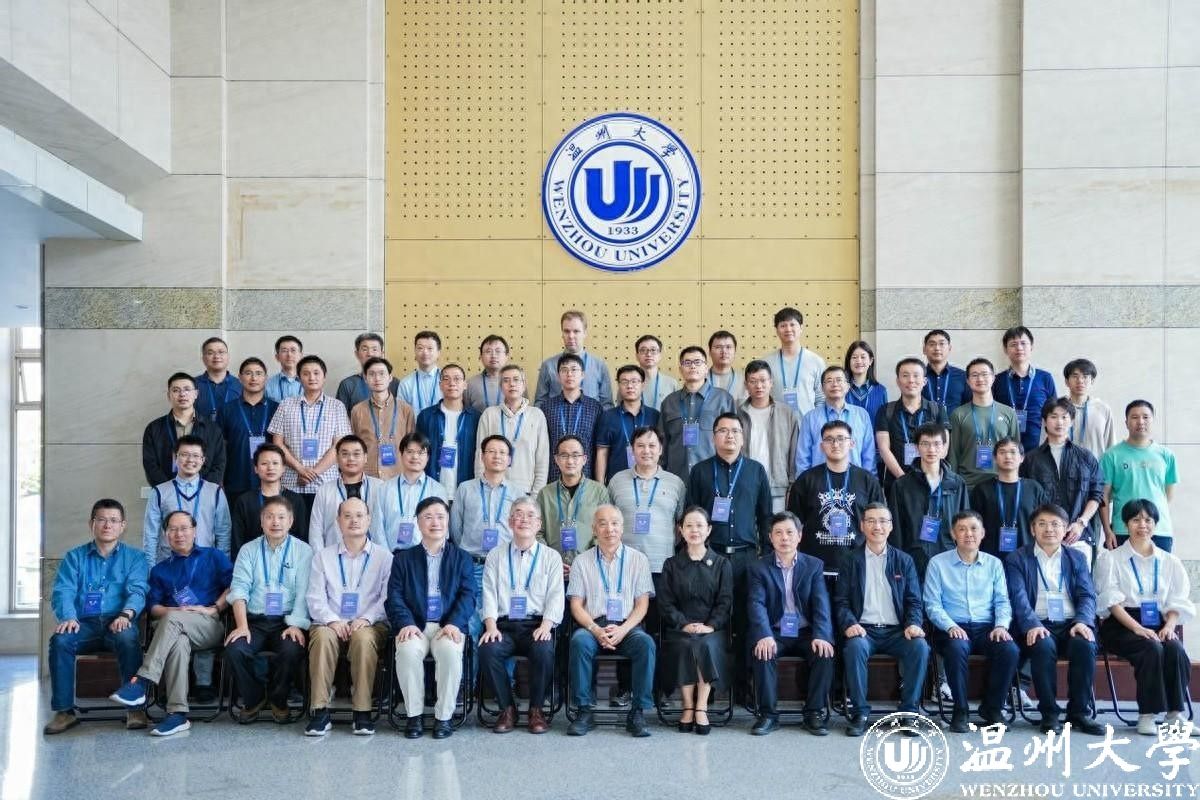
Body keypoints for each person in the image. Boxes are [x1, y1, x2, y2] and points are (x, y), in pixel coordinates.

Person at [108, 510, 233, 737]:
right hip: (172, 628)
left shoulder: (213, 557)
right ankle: (177, 714)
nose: (179, 534)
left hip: (207, 625)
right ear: (166, 535)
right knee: (178, 642)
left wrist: (214, 608)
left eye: (184, 528)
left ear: (194, 531)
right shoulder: (160, 570)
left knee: (173, 622)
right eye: (173, 529)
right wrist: (174, 611)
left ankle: (142, 682)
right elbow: (153, 607)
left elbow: (234, 586)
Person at [44, 499, 150, 735]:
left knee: (128, 639)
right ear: (91, 524)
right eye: (101, 520)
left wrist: (126, 614)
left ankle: (135, 709)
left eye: (113, 520)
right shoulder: (74, 557)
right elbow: (63, 591)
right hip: (84, 623)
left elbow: (138, 590)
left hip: (118, 620)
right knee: (60, 641)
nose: (107, 525)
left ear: (122, 526)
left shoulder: (135, 558)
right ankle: (64, 711)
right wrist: (68, 617)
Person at [686, 413, 773, 695]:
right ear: (713, 437)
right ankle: (709, 687)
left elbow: (765, 517)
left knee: (747, 620)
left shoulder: (756, 471)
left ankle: (744, 685)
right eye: (723, 430)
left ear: (743, 437)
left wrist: (766, 557)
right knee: (711, 619)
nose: (730, 436)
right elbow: (691, 515)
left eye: (735, 431)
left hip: (747, 558)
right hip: (711, 558)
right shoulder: (700, 471)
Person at [1094, 499, 1195, 735]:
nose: (1142, 525)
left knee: (1175, 649)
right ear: (1125, 524)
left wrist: (1169, 626)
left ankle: (1174, 715)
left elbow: (1178, 600)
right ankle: (1147, 715)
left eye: (1148, 520)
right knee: (1151, 648)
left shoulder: (1170, 562)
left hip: (1160, 622)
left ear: (1155, 524)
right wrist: (1137, 628)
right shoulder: (1111, 559)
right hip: (1122, 623)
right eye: (1136, 520)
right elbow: (1111, 602)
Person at [1004, 504, 1105, 735]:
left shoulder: (1077, 558)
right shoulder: (1017, 559)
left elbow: (1087, 595)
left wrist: (1082, 621)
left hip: (1071, 623)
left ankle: (1079, 713)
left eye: (1055, 524)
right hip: (1038, 623)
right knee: (1042, 645)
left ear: (1065, 528)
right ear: (1032, 529)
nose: (1049, 529)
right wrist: (1032, 625)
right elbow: (1018, 598)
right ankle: (1049, 714)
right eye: (1042, 524)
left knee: (1085, 644)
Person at [835, 503, 928, 737]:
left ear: (891, 526)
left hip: (898, 631)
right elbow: (841, 601)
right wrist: (849, 623)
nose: (877, 526)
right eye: (871, 521)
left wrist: (913, 623)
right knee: (854, 648)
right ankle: (860, 712)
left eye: (883, 521)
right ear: (862, 526)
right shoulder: (850, 560)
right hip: (864, 630)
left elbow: (914, 601)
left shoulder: (904, 561)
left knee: (920, 647)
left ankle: (909, 712)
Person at [386, 496, 475, 740]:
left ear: (448, 521)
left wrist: (455, 623)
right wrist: (405, 623)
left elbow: (468, 596)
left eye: (440, 516)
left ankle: (443, 717)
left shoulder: (462, 558)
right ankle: (413, 715)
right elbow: (394, 596)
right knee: (407, 650)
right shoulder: (403, 559)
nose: (435, 522)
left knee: (450, 652)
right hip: (415, 625)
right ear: (418, 522)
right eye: (428, 517)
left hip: (447, 626)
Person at [304, 497, 393, 737]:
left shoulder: (384, 557)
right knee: (322, 638)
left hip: (370, 623)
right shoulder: (323, 557)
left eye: (359, 515)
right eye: (347, 516)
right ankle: (319, 711)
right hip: (330, 622)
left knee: (363, 639)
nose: (354, 521)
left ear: (369, 520)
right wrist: (333, 620)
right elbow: (314, 597)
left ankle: (362, 712)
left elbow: (387, 599)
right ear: (338, 521)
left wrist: (366, 619)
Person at [923, 510, 1019, 733]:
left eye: (974, 529)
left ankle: (992, 709)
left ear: (983, 533)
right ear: (953, 534)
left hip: (987, 627)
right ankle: (960, 710)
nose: (969, 534)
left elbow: (1002, 601)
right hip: (952, 626)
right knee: (956, 648)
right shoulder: (937, 563)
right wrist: (950, 626)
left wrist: (1001, 626)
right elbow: (932, 604)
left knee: (1009, 650)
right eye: (962, 529)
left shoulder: (994, 564)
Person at [566, 505, 657, 737]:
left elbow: (642, 605)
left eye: (615, 523)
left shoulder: (638, 560)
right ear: (594, 529)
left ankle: (638, 712)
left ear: (622, 527)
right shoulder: (581, 561)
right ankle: (584, 710)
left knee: (646, 644)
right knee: (579, 643)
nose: (610, 529)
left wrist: (623, 630)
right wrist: (596, 630)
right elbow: (576, 605)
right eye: (603, 523)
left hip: (627, 626)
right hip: (592, 625)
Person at [223, 496, 314, 723]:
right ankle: (254, 699)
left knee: (292, 649)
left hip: (286, 621)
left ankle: (278, 700)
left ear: (291, 521)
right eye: (269, 517)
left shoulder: (304, 551)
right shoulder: (248, 550)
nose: (275, 522)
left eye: (281, 517)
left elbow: (304, 591)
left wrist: (296, 624)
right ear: (261, 521)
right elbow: (239, 589)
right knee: (235, 649)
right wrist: (242, 626)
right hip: (254, 621)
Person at [478, 498, 565, 734]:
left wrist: (546, 625)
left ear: (538, 524)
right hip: (503, 625)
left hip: (536, 624)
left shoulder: (551, 557)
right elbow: (488, 593)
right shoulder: (495, 555)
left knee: (544, 650)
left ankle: (536, 710)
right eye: (518, 514)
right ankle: (507, 708)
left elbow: (556, 596)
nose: (523, 519)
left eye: (530, 515)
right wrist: (490, 626)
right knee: (487, 650)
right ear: (509, 522)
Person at [746, 511, 835, 736]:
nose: (784, 538)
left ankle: (813, 713)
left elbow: (821, 603)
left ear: (800, 536)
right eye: (778, 533)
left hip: (806, 632)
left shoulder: (813, 565)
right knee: (762, 652)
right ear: (770, 537)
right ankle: (768, 715)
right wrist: (764, 634)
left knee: (824, 653)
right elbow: (756, 604)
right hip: (774, 631)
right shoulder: (758, 567)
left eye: (789, 532)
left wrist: (822, 635)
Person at [657, 506, 733, 735]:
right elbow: (666, 603)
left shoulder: (722, 564)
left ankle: (701, 706)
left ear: (709, 530)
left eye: (699, 525)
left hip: (712, 630)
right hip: (679, 628)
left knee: (704, 644)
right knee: (686, 643)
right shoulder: (671, 564)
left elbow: (725, 602)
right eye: (688, 525)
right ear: (680, 530)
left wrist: (710, 625)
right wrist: (683, 624)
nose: (694, 530)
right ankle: (687, 705)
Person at [789, 420, 885, 573]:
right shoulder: (805, 481)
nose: (835, 444)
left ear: (851, 444)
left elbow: (879, 523)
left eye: (841, 438)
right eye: (829, 439)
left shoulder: (867, 481)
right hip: (814, 568)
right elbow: (793, 525)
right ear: (821, 446)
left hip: (856, 568)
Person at [451, 435, 521, 640]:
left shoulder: (518, 493)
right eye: (491, 451)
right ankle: (471, 663)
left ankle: (497, 662)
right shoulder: (465, 488)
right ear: (482, 457)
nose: (497, 456)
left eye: (502, 452)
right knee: (471, 621)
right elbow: (455, 528)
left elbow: (520, 530)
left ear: (509, 459)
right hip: (473, 565)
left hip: (505, 565)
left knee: (502, 621)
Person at [1021, 398, 1105, 562]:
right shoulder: (1030, 459)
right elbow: (1027, 499)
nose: (1059, 422)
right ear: (1044, 421)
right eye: (1053, 417)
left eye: (1064, 417)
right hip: (1043, 538)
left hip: (1077, 536)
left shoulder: (1086, 458)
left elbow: (1097, 494)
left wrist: (1081, 523)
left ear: (1072, 421)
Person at [268, 355, 352, 509]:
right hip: (292, 483)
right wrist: (300, 469)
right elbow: (277, 443)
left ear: (324, 377)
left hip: (326, 484)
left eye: (316, 373)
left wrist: (313, 473)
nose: (312, 377)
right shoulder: (286, 405)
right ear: (299, 378)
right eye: (306, 373)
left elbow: (339, 446)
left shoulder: (337, 406)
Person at [887, 423, 970, 579]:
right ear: (917, 447)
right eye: (925, 444)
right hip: (913, 559)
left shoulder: (957, 483)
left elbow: (965, 524)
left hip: (949, 558)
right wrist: (898, 564)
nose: (931, 449)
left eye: (937, 444)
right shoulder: (902, 485)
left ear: (944, 448)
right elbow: (896, 529)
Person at [143, 435, 231, 568]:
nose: (190, 460)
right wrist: (150, 570)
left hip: (205, 566)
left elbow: (223, 534)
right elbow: (150, 536)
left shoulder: (216, 492)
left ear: (203, 460)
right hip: (169, 566)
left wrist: (222, 567)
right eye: (184, 455)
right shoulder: (159, 492)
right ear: (175, 457)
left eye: (196, 455)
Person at [1101, 401, 1178, 551]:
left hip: (1159, 530)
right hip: (1123, 530)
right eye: (1135, 417)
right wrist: (1107, 530)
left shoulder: (1166, 455)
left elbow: (1167, 495)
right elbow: (1103, 496)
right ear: (1126, 423)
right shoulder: (1111, 456)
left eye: (1145, 417)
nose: (1140, 421)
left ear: (1152, 420)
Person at [658, 346, 736, 482]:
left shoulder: (723, 399)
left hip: (714, 477)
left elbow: (733, 440)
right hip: (676, 478)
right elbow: (662, 443)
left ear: (706, 368)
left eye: (697, 362)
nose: (692, 366)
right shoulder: (669, 402)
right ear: (680, 369)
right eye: (687, 363)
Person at [536, 435, 612, 575]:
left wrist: (587, 561)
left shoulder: (599, 491)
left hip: (590, 570)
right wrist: (551, 560)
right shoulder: (545, 494)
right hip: (551, 571)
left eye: (575, 455)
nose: (570, 461)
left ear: (584, 459)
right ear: (556, 460)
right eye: (564, 455)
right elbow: (537, 532)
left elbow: (605, 530)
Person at [474, 364, 550, 495]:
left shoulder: (536, 415)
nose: (512, 384)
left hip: (525, 491)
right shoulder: (489, 414)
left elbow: (542, 459)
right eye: (506, 380)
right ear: (500, 386)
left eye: (516, 379)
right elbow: (480, 456)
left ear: (524, 385)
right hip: (493, 490)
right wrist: (482, 489)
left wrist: (536, 494)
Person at [142, 372, 226, 486]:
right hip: (166, 492)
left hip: (203, 492)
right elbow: (150, 465)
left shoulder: (212, 429)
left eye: (187, 389)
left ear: (196, 394)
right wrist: (170, 490)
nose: (182, 394)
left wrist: (201, 489)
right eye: (176, 390)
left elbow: (219, 465)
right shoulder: (154, 428)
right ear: (169, 395)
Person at [874, 359, 947, 491]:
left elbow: (944, 446)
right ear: (898, 381)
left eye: (916, 375)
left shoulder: (937, 410)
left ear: (924, 381)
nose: (911, 380)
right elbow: (884, 449)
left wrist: (926, 478)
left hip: (931, 483)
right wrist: (904, 480)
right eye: (905, 375)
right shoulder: (886, 410)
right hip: (897, 483)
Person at [737, 360, 800, 512]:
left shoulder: (786, 413)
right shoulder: (737, 413)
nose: (759, 386)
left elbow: (794, 451)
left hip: (777, 487)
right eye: (753, 381)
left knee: (776, 526)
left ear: (771, 383)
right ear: (746, 385)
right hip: (744, 484)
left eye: (763, 380)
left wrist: (792, 484)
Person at [970, 438, 1050, 558]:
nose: (1008, 456)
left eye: (1013, 452)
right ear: (995, 458)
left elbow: (1044, 521)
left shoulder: (1034, 488)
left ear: (1022, 458)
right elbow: (974, 524)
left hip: (1027, 556)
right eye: (1002, 452)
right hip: (990, 557)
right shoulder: (982, 489)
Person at [948, 357, 1020, 489]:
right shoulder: (958, 414)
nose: (980, 379)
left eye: (985, 374)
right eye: (975, 375)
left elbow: (1016, 450)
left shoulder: (1008, 413)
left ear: (993, 378)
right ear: (968, 381)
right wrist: (954, 486)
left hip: (1001, 482)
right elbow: (953, 454)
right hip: (968, 484)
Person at [229, 443, 309, 558]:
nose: (270, 468)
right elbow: (237, 541)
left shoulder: (295, 500)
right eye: (264, 463)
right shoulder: (244, 501)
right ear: (256, 468)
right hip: (253, 561)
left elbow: (301, 538)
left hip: (288, 561)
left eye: (275, 463)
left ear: (283, 468)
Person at [307, 435, 386, 549]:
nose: (351, 459)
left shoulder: (380, 487)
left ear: (365, 458)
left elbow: (388, 525)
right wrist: (321, 558)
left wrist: (384, 556)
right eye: (345, 454)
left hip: (374, 556)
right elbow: (316, 530)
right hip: (334, 555)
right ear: (337, 459)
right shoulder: (325, 490)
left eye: (356, 454)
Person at [216, 357, 278, 502]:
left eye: (258, 373)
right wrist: (220, 479)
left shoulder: (277, 409)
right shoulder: (226, 410)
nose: (253, 378)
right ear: (240, 377)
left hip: (270, 481)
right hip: (235, 480)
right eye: (248, 373)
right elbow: (219, 448)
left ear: (266, 378)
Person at [416, 364, 481, 497]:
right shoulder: (426, 416)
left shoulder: (476, 417)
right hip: (432, 489)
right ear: (440, 385)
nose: (452, 383)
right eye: (446, 379)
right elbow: (419, 451)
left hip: (465, 489)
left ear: (465, 385)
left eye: (457, 379)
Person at [797, 366, 876, 474]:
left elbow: (869, 455)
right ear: (822, 388)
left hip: (855, 480)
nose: (835, 384)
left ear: (848, 386)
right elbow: (803, 457)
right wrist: (803, 482)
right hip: (820, 480)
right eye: (829, 381)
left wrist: (869, 480)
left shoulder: (862, 415)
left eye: (839, 380)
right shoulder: (810, 418)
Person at [379, 432, 450, 551]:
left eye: (421, 452)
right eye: (410, 452)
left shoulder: (438, 490)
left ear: (428, 457)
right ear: (401, 454)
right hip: (391, 556)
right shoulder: (384, 489)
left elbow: (443, 530)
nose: (415, 457)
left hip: (426, 555)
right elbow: (377, 528)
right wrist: (386, 557)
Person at [349, 356, 416, 480]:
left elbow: (411, 445)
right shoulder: (357, 411)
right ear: (365, 379)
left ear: (390, 378)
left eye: (381, 374)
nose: (377, 378)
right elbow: (353, 445)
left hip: (398, 476)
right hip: (367, 477)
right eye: (372, 374)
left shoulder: (405, 409)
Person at [992, 326, 1057, 452]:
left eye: (1023, 343)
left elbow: (1054, 412)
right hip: (1005, 449)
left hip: (1040, 449)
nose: (1019, 348)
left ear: (1031, 346)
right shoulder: (997, 380)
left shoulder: (1045, 378)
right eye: (1013, 344)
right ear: (1005, 349)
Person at [541, 353, 603, 482]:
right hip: (554, 476)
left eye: (574, 369)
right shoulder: (546, 407)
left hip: (586, 476)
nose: (569, 374)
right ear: (558, 376)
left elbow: (599, 447)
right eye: (564, 370)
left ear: (582, 374)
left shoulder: (595, 407)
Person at [595, 364, 661, 483]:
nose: (630, 386)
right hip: (617, 483)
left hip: (650, 482)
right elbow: (602, 453)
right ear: (619, 385)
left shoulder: (655, 416)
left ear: (643, 385)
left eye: (634, 381)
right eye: (624, 382)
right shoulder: (607, 416)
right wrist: (600, 486)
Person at [535, 310, 614, 408]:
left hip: (592, 417)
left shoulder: (599, 365)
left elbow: (607, 404)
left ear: (585, 333)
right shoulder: (548, 366)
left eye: (576, 331)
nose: (571, 336)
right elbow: (540, 403)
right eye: (566, 331)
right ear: (562, 333)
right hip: (555, 417)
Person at [756, 307, 825, 415]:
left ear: (801, 328)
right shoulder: (766, 363)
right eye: (783, 325)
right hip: (776, 423)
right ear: (777, 330)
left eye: (792, 324)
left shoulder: (816, 361)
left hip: (807, 424)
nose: (788, 329)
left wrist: (815, 422)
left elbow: (821, 398)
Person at [1062, 358, 1117, 461]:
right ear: (1067, 381)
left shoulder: (1103, 409)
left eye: (1085, 376)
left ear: (1092, 381)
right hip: (1062, 468)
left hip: (1095, 468)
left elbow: (1110, 446)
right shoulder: (1058, 409)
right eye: (1075, 376)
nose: (1080, 381)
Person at [335, 332, 399, 411]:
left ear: (382, 354)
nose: (370, 354)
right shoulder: (347, 384)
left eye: (374, 349)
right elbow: (340, 415)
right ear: (357, 354)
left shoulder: (395, 383)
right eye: (365, 350)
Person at [921, 329, 972, 414]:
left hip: (955, 422)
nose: (937, 348)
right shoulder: (916, 376)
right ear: (924, 349)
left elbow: (969, 407)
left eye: (941, 344)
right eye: (932, 344)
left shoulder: (963, 376)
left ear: (949, 348)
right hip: (923, 422)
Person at [194, 336, 242, 422]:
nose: (216, 356)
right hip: (201, 430)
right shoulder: (192, 385)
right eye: (210, 353)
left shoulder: (241, 385)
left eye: (221, 352)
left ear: (228, 356)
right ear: (203, 358)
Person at [397, 330, 444, 416]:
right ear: (415, 352)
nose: (425, 352)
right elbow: (401, 415)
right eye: (420, 348)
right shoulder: (406, 383)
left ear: (438, 352)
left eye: (430, 348)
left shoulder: (447, 381)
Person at [844, 340, 888, 428]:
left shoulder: (881, 391)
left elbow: (884, 423)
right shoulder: (842, 389)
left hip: (874, 437)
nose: (859, 361)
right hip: (846, 436)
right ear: (849, 361)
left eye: (863, 357)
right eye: (854, 357)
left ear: (871, 361)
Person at [465, 334, 513, 412]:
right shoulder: (470, 384)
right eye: (488, 351)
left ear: (506, 356)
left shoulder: (516, 383)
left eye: (498, 351)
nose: (493, 355)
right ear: (481, 357)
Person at [636, 334, 679, 410]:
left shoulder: (671, 384)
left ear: (660, 355)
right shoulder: (628, 384)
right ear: (637, 356)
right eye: (643, 350)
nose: (648, 354)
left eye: (653, 350)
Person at [707, 330, 744, 401]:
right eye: (718, 347)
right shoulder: (700, 381)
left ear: (735, 352)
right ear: (709, 352)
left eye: (728, 347)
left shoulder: (745, 381)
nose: (724, 351)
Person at [266, 335, 304, 403]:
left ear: (301, 356)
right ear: (277, 357)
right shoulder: (267, 384)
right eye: (284, 351)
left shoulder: (311, 382)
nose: (289, 355)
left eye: (293, 350)